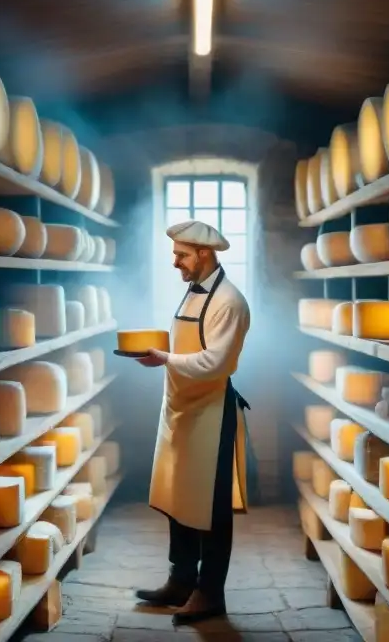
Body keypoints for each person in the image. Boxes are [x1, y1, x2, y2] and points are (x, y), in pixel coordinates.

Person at [133, 219, 252, 626]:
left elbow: (216, 362)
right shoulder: (192, 292)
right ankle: (181, 579)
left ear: (204, 254)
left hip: (211, 415)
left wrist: (164, 359)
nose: (175, 263)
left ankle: (210, 592)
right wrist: (154, 354)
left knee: (211, 509)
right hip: (180, 410)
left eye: (181, 255)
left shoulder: (229, 302)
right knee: (176, 498)